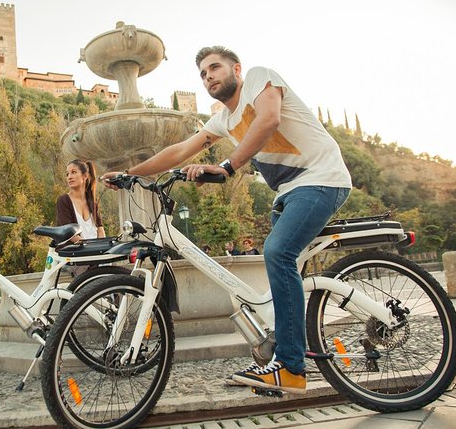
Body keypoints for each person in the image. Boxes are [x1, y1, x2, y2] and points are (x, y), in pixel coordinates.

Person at [103, 46, 352, 394]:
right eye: (203, 74)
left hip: (321, 180)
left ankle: (291, 368)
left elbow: (268, 120)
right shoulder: (223, 119)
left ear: (236, 69)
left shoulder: (259, 79)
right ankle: (277, 350)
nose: (209, 77)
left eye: (214, 68)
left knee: (277, 253)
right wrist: (129, 174)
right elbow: (179, 150)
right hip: (289, 194)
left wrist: (226, 166)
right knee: (280, 270)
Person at [56, 159, 105, 242]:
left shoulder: (92, 201)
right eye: (67, 174)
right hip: (76, 252)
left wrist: (100, 245)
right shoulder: (63, 201)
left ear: (85, 176)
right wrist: (89, 247)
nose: (69, 177)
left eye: (74, 172)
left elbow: (100, 228)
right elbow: (69, 235)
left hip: (96, 251)